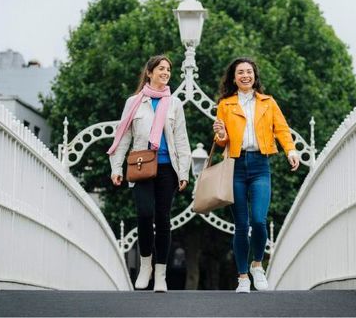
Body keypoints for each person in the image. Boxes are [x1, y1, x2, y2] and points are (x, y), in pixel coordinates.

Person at [212, 57, 300, 293]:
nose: (245, 76)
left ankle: (257, 265)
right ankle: (242, 278)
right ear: (234, 77)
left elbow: (281, 128)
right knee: (241, 225)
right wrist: (220, 133)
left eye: (249, 72)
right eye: (240, 72)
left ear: (254, 76)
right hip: (235, 166)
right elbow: (221, 142)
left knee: (259, 221)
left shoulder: (268, 103)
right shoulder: (225, 105)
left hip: (261, 165)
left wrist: (290, 150)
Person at [108, 55, 191, 292]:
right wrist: (116, 167)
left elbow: (182, 139)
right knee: (145, 214)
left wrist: (183, 172)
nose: (166, 72)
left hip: (168, 168)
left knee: (163, 219)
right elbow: (122, 136)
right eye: (161, 69)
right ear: (150, 73)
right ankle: (146, 266)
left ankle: (161, 274)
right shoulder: (133, 102)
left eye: (168, 69)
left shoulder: (174, 104)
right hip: (142, 165)